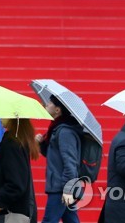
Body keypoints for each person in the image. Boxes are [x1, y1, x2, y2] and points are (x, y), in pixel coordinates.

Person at [0, 118, 39, 223]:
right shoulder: (15, 139)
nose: (0, 118)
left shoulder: (12, 142)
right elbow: (0, 167)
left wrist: (0, 201)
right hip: (14, 209)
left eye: (4, 115)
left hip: (9, 211)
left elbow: (16, 182)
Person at [35, 95, 82, 223]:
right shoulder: (56, 129)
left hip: (61, 187)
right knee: (71, 220)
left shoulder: (65, 132)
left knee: (49, 220)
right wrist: (41, 144)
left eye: (50, 103)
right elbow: (53, 155)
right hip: (60, 185)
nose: (47, 104)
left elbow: (70, 163)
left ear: (57, 110)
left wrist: (67, 189)